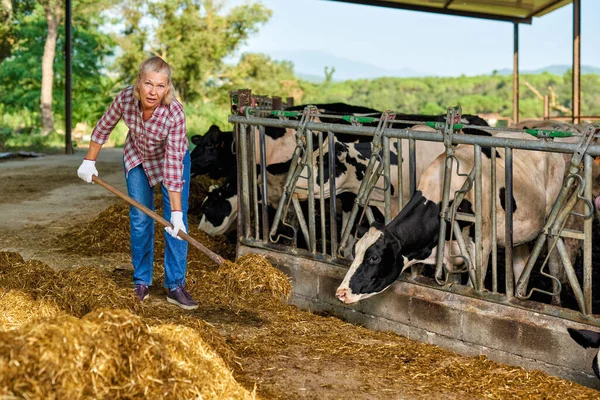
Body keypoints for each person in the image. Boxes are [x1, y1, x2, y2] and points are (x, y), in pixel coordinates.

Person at [76, 56, 198, 310]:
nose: (153, 92)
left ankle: (175, 285)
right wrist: (89, 161)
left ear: (167, 88)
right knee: (140, 219)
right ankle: (141, 280)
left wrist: (176, 213)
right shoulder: (125, 99)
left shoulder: (174, 112)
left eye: (160, 86)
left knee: (175, 223)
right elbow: (103, 128)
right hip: (138, 157)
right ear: (139, 83)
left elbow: (174, 165)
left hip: (170, 160)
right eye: (148, 84)